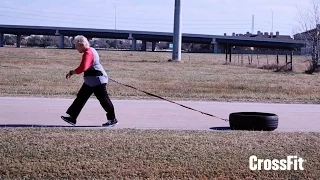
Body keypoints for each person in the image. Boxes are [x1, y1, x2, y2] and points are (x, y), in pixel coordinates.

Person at [61, 35, 118, 127]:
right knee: (80, 98)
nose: (76, 48)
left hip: (97, 81)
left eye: (76, 45)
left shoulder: (88, 53)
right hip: (91, 81)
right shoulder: (91, 50)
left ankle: (112, 119)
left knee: (104, 100)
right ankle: (72, 117)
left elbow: (83, 68)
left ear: (82, 44)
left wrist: (72, 72)